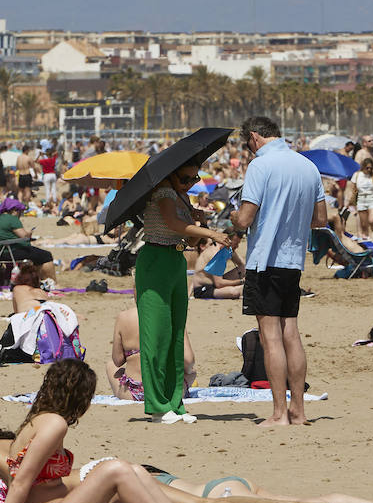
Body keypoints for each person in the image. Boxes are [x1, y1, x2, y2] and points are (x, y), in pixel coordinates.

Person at [0, 402, 373, 503]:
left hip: (107, 485)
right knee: (221, 497)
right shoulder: (10, 437)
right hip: (115, 476)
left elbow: (22, 488)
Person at [0, 360, 229, 503]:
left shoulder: (39, 421)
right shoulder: (54, 424)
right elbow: (20, 483)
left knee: (136, 472)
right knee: (115, 469)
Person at [232, 116, 328, 427]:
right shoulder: (307, 165)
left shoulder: (260, 166)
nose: (248, 149)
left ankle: (278, 413)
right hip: (293, 259)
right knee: (291, 334)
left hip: (266, 258)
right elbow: (320, 219)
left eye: (248, 143)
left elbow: (245, 219)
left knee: (270, 337)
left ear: (255, 137)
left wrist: (232, 217)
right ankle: (298, 411)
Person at [137, 160, 232, 424]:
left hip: (175, 260)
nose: (190, 183)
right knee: (155, 335)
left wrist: (198, 222)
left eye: (194, 178)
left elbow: (186, 240)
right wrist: (208, 230)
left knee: (175, 334)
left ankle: (174, 402)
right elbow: (172, 223)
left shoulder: (180, 196)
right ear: (172, 173)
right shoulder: (163, 192)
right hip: (155, 260)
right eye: (186, 178)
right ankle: (157, 406)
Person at [108, 304, 195, 403]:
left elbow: (117, 360)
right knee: (192, 372)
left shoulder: (123, 317)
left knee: (110, 366)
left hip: (134, 392)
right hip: (167, 391)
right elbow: (188, 360)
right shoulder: (172, 314)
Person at [0, 197, 57, 282]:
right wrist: (29, 233)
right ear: (14, 210)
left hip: (0, 253)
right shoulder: (12, 219)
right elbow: (23, 236)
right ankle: (52, 282)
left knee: (37, 255)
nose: (20, 214)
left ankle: (39, 281)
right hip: (12, 252)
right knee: (46, 256)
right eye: (20, 212)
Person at [191, 235, 244, 300]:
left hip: (214, 283)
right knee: (237, 291)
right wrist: (241, 281)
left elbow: (243, 265)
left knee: (245, 269)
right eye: (235, 244)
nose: (237, 246)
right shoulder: (215, 253)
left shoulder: (227, 249)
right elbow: (219, 283)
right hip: (204, 288)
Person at [347, 157, 373, 235]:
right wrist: (349, 201)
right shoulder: (357, 175)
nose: (369, 170)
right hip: (361, 199)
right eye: (367, 168)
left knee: (371, 220)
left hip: (372, 199)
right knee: (364, 224)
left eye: (371, 168)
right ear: (363, 167)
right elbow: (352, 189)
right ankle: (367, 239)